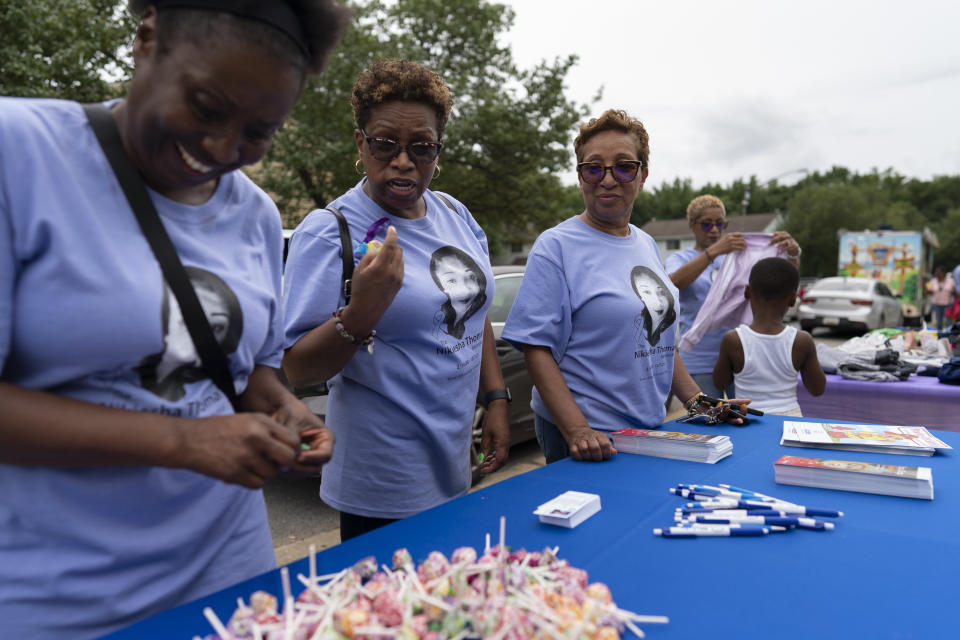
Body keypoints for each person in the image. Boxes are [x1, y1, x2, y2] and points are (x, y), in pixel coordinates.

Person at [0, 2, 349, 638]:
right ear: (147, 38)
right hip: (62, 603)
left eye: (259, 132)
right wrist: (184, 442)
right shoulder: (19, 153)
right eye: (207, 106)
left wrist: (285, 414)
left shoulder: (257, 216)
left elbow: (251, 374)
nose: (221, 149)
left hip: (232, 581)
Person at [282, 59, 510, 541]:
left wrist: (496, 399)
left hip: (452, 458)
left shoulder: (456, 214)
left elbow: (475, 313)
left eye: (421, 147)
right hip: (382, 479)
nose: (403, 161)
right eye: (386, 143)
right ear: (361, 143)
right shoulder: (329, 232)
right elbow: (296, 369)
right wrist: (361, 312)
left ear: (438, 150)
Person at [502, 109, 750, 465]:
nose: (607, 179)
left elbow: (660, 339)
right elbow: (536, 348)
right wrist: (577, 431)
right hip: (588, 435)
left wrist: (700, 403)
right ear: (580, 176)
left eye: (623, 166)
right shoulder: (556, 246)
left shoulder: (646, 244)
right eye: (593, 168)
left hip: (647, 427)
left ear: (642, 175)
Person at [666, 194, 801, 399]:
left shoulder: (737, 256)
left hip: (742, 356)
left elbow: (778, 283)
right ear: (692, 225)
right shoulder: (680, 258)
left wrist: (792, 254)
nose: (714, 230)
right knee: (709, 421)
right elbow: (672, 284)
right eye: (706, 224)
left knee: (744, 419)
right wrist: (713, 252)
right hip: (699, 360)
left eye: (720, 224)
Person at [713, 257, 826, 416]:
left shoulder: (733, 339)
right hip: (789, 420)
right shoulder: (802, 341)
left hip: (748, 417)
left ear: (747, 291)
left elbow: (720, 382)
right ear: (793, 299)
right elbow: (817, 389)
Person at [926, 266, 956, 331]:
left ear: (944, 273)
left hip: (948, 305)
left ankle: (950, 335)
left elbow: (954, 292)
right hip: (937, 305)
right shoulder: (932, 281)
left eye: (939, 272)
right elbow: (929, 291)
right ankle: (939, 335)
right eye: (936, 272)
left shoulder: (951, 281)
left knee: (948, 322)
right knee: (938, 322)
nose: (937, 274)